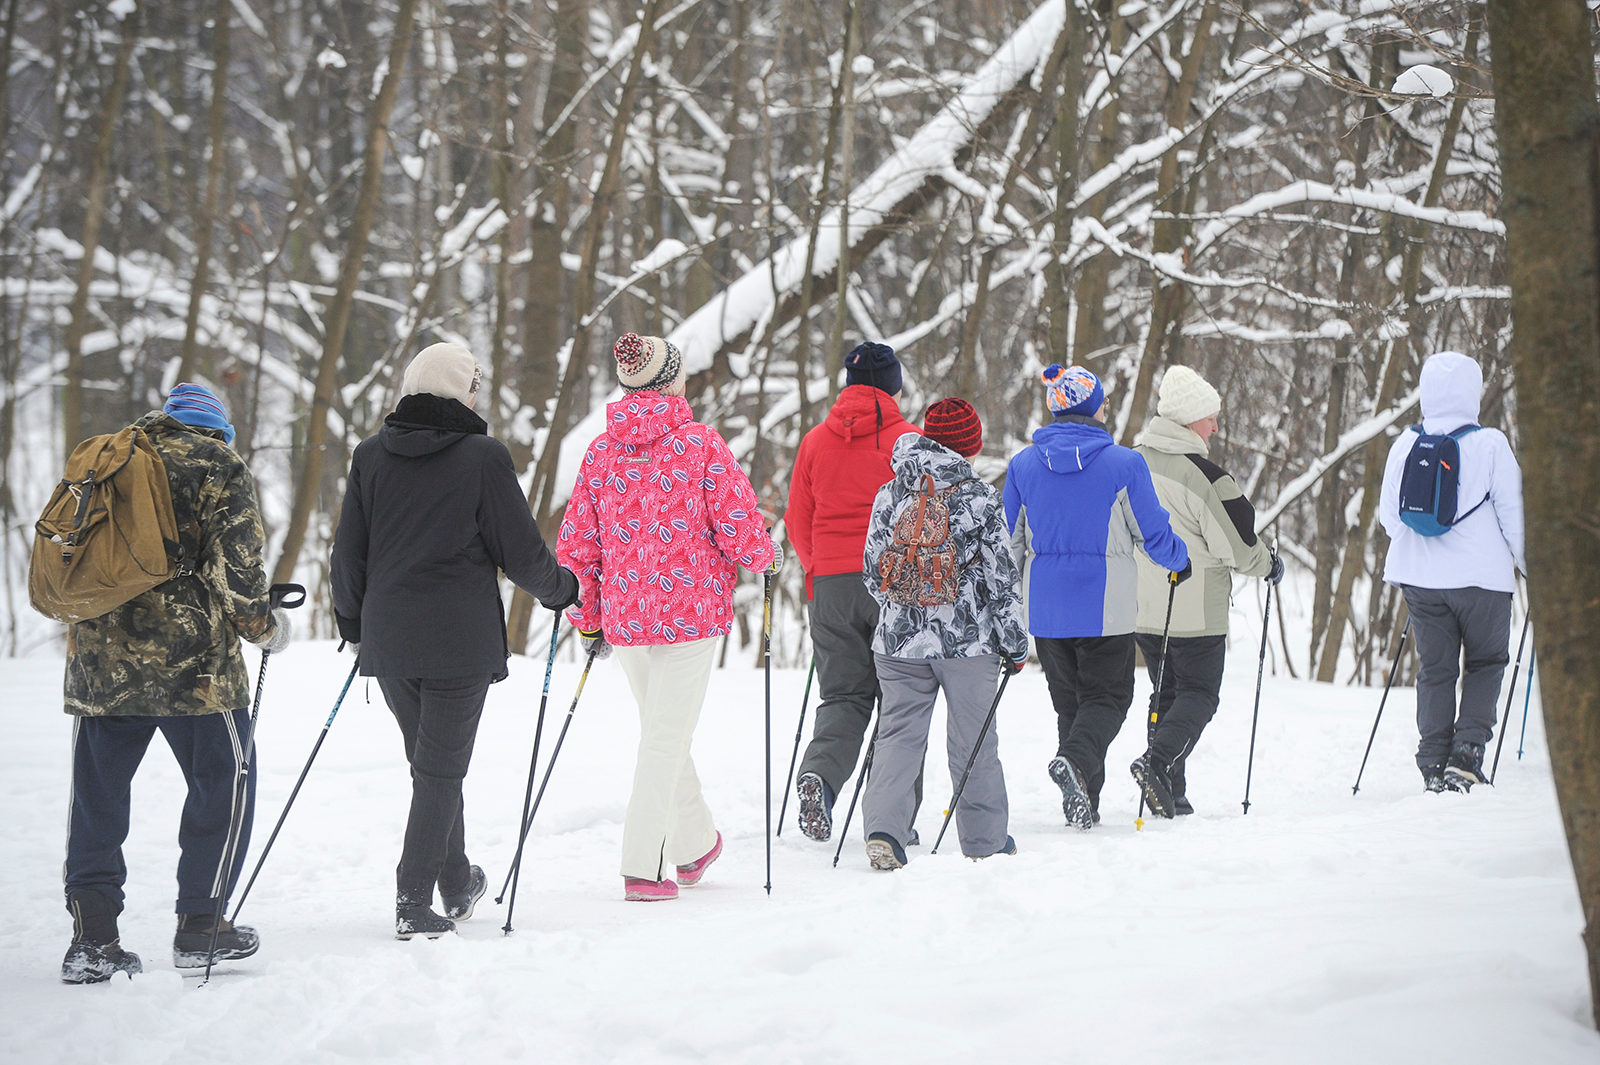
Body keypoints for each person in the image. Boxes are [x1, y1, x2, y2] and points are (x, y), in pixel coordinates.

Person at [330, 342, 579, 939]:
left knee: (433, 766)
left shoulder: (371, 455)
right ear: (459, 390)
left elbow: (348, 553)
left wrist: (354, 625)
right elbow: (518, 551)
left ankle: (456, 880)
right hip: (457, 639)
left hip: (391, 640)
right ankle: (413, 902)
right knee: (439, 771)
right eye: (474, 386)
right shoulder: (482, 457)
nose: (477, 397)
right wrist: (561, 589)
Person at [58, 382, 290, 984]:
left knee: (97, 800)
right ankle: (201, 927)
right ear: (219, 428)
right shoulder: (219, 464)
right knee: (225, 785)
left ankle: (92, 939)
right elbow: (239, 574)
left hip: (103, 665)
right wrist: (266, 629)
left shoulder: (109, 459)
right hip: (198, 672)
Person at [558, 332, 778, 901]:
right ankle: (643, 865)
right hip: (690, 616)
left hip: (629, 618)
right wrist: (766, 555)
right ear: (671, 381)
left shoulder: (601, 452)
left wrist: (588, 614)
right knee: (662, 738)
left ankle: (694, 843)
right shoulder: (700, 444)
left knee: (664, 733)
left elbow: (578, 546)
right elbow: (737, 521)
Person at [1003, 365, 1189, 830]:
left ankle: (1084, 798)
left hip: (1046, 611)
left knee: (1072, 706)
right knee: (1109, 699)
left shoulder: (1024, 465)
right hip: (1105, 609)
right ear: (1093, 406)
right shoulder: (1124, 464)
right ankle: (1074, 765)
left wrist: (1006, 595)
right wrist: (1179, 560)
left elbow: (1009, 540)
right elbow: (1153, 531)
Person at [860, 399, 1028, 869]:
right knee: (973, 738)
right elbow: (1001, 578)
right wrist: (1014, 641)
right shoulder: (977, 496)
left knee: (897, 734)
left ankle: (884, 832)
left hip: (897, 642)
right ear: (969, 445)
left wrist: (903, 614)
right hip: (967, 644)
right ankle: (985, 840)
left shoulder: (890, 493)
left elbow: (874, 573)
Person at [782, 341, 922, 843]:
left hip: (832, 585)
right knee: (904, 702)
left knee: (843, 694)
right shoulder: (908, 440)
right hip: (894, 585)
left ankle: (820, 774)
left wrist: (818, 568)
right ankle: (894, 820)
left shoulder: (816, 441)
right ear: (893, 387)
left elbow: (797, 518)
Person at [1129, 365, 1279, 818]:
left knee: (1166, 694)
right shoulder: (1208, 477)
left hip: (1144, 608)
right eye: (1210, 417)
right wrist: (1271, 564)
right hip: (1196, 611)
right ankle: (1157, 765)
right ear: (1189, 419)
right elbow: (1238, 548)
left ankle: (1171, 792)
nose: (1215, 426)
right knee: (1198, 695)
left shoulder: (1132, 461)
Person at [1377, 350, 1525, 792]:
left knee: (1435, 669)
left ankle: (1432, 761)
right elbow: (1514, 513)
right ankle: (1466, 756)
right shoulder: (1490, 444)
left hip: (1421, 582)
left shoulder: (1405, 443)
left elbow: (1390, 518)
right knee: (1485, 663)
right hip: (1483, 582)